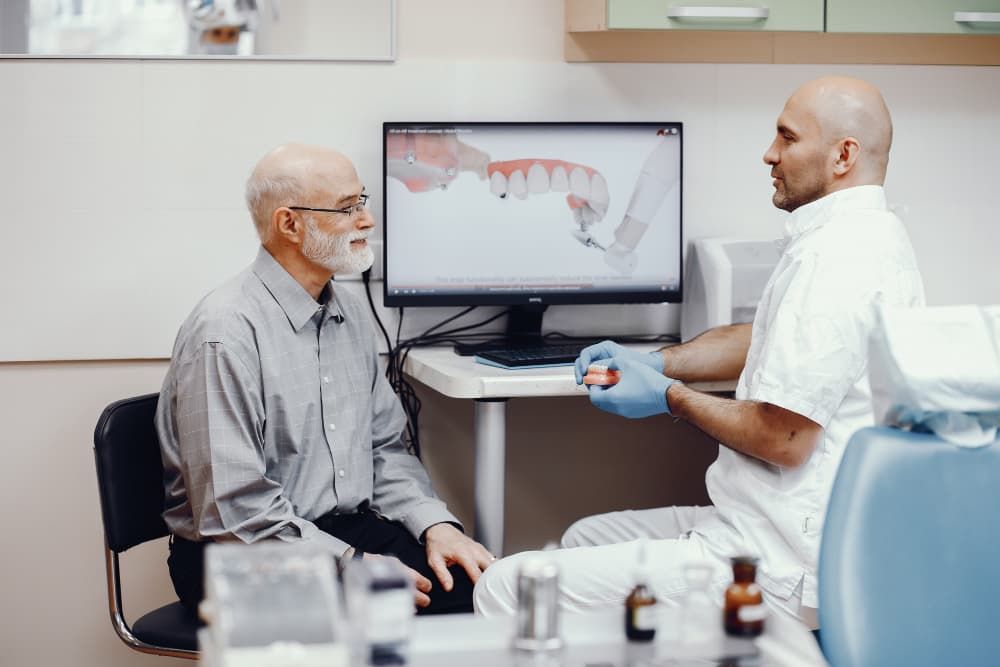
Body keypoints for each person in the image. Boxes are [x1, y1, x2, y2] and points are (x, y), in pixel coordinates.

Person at [473, 76, 925, 629]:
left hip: (778, 565)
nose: (769, 154)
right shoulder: (866, 233)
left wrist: (671, 398)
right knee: (580, 539)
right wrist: (659, 362)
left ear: (842, 155)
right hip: (763, 525)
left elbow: (783, 437)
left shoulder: (836, 260)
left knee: (505, 587)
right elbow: (764, 337)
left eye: (787, 138)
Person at [156, 143, 494, 615]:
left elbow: (384, 450)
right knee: (404, 617)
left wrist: (435, 525)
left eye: (363, 201)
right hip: (239, 554)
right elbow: (233, 512)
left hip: (339, 532)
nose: (367, 221)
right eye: (346, 208)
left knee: (481, 595)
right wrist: (350, 564)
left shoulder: (350, 314)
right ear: (289, 224)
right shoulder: (224, 333)